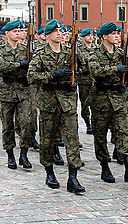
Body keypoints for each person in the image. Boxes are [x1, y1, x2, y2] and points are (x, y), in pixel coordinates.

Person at [27, 19, 85, 194]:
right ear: (47, 35)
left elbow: (83, 68)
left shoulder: (70, 52)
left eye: (62, 31)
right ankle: (49, 172)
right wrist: (52, 75)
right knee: (47, 140)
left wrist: (73, 79)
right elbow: (31, 76)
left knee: (72, 140)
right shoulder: (41, 54)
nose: (60, 34)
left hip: (68, 103)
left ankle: (73, 178)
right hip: (49, 104)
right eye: (56, 31)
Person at [88, 22, 128, 183]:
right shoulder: (95, 53)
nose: (117, 36)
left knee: (124, 132)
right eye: (114, 33)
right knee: (100, 135)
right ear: (104, 36)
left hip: (119, 99)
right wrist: (115, 69)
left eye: (118, 33)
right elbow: (95, 70)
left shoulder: (122, 54)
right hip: (101, 100)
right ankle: (105, 167)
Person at [0, 20, 32, 169]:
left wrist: (25, 74)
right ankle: (10, 154)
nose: (19, 34)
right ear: (7, 33)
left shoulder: (26, 49)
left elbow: (33, 65)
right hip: (5, 91)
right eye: (15, 32)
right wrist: (20, 65)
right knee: (7, 125)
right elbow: (3, 66)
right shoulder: (1, 48)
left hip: (23, 91)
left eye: (20, 31)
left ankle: (23, 154)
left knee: (27, 123)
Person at [78, 28, 94, 134]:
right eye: (88, 35)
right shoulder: (79, 49)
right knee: (84, 104)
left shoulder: (96, 48)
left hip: (94, 81)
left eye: (91, 35)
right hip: (84, 81)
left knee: (96, 103)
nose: (91, 37)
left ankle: (94, 123)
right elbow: (80, 66)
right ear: (83, 37)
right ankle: (87, 123)